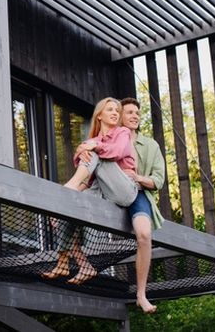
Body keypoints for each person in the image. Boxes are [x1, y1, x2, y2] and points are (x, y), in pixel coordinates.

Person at [42, 97, 139, 285]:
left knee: (95, 152)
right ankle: (67, 262)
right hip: (100, 192)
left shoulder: (122, 132)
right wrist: (62, 207)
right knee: (69, 209)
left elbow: (117, 152)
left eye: (117, 111)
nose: (114, 113)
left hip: (124, 190)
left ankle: (67, 190)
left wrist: (93, 147)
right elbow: (87, 173)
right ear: (99, 115)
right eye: (110, 109)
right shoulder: (91, 142)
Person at [115, 97, 165, 314]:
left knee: (144, 235)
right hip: (110, 192)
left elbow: (158, 180)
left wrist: (137, 177)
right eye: (129, 112)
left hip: (137, 193)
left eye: (137, 112)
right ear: (119, 116)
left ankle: (141, 294)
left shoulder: (150, 145)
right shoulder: (111, 138)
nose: (134, 116)